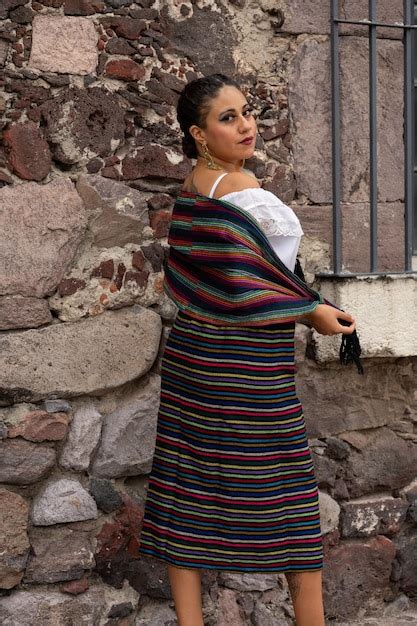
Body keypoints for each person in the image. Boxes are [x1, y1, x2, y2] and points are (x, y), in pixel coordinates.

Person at [137, 73, 357, 626]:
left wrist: (303, 301)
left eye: (247, 112)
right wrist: (313, 311)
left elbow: (249, 273)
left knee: (186, 479)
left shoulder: (198, 187)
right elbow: (248, 279)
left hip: (202, 354)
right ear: (199, 132)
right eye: (227, 117)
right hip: (240, 359)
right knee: (286, 487)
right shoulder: (234, 190)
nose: (246, 125)